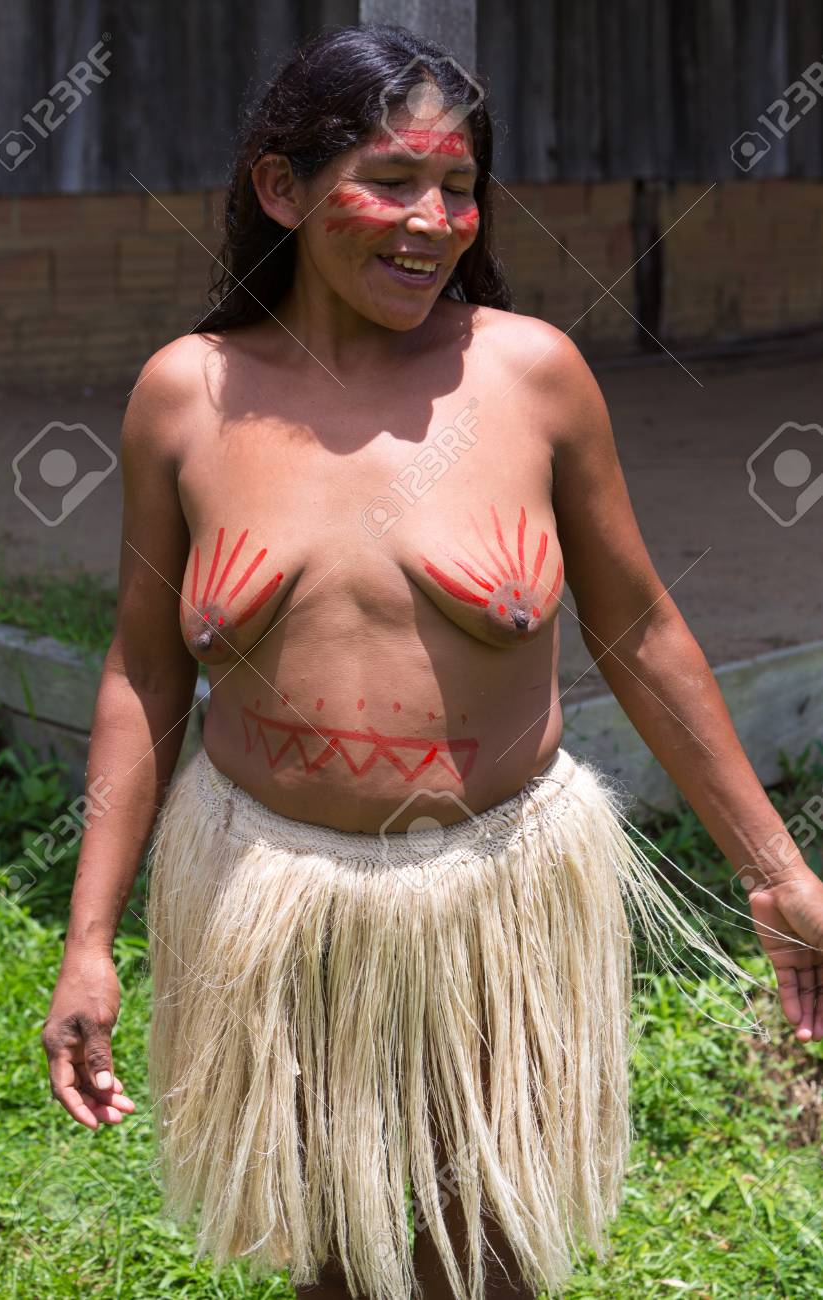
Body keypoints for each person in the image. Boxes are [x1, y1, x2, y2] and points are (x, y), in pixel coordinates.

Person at [42, 22, 823, 1300]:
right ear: (282, 188)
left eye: (457, 185)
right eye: (392, 180)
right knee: (334, 1244)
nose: (433, 219)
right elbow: (143, 672)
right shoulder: (186, 396)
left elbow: (639, 633)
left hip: (492, 885)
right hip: (271, 891)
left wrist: (777, 872)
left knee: (485, 1246)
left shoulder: (528, 377)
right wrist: (88, 939)